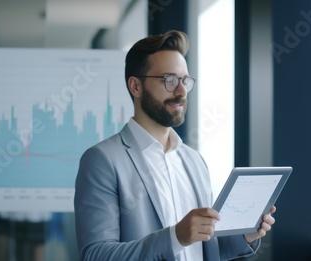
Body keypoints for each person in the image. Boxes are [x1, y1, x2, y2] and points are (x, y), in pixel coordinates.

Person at [74, 30, 276, 261]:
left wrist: (245, 235)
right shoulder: (102, 160)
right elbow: (96, 255)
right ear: (136, 87)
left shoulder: (194, 161)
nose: (181, 92)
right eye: (169, 80)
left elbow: (205, 248)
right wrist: (175, 237)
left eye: (184, 81)